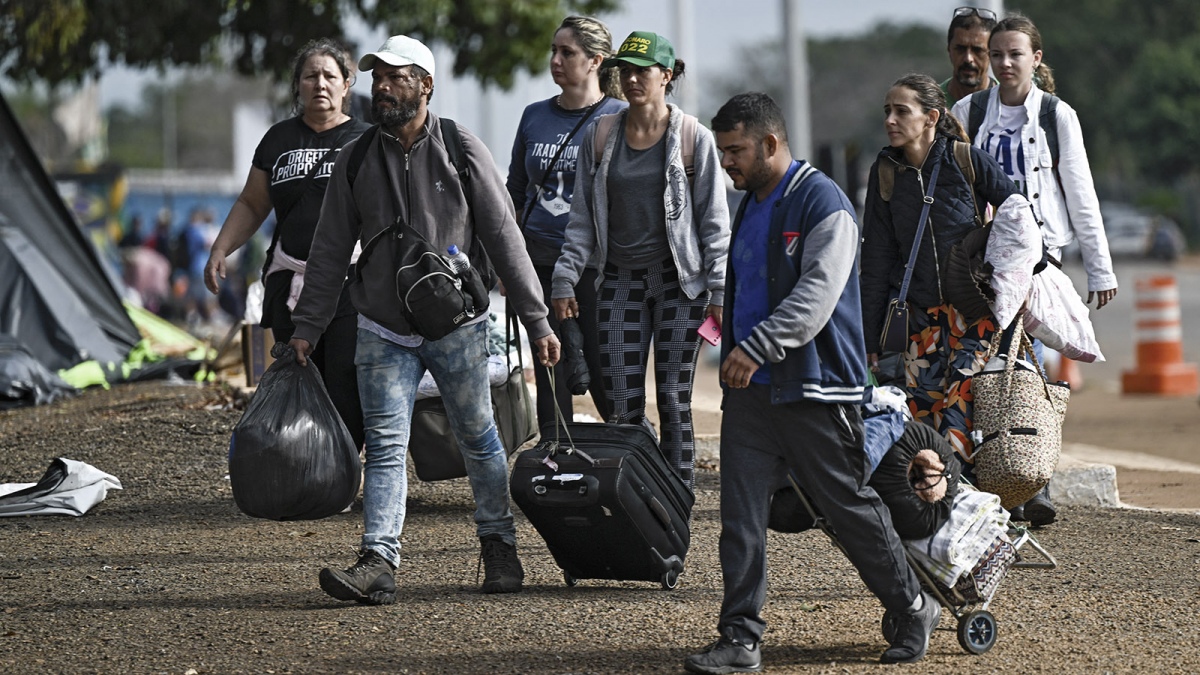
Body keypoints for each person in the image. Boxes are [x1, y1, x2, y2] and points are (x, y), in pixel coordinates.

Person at [286, 35, 561, 602]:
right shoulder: (357, 158)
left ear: (425, 86)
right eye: (377, 78)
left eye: (396, 78)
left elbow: (505, 238)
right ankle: (378, 561)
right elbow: (331, 246)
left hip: (456, 326)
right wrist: (306, 329)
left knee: (479, 438)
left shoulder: (461, 146)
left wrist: (538, 321)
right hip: (381, 328)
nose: (382, 89)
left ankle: (499, 547)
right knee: (386, 446)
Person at [683, 93, 938, 674]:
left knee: (847, 507)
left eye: (737, 151)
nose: (728, 164)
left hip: (817, 390)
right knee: (740, 517)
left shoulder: (824, 202)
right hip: (753, 395)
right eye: (723, 152)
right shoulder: (747, 204)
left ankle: (912, 604)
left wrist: (756, 347)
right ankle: (741, 638)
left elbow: (816, 298)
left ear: (771, 143)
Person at [951, 14, 1117, 526]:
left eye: (1014, 54)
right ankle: (990, 477)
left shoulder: (1056, 116)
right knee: (978, 364)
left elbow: (1080, 192)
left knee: (1029, 367)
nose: (1002, 64)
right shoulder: (968, 110)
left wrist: (1100, 269)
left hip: (1040, 260)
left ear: (1036, 59)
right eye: (996, 54)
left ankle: (1030, 479)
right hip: (981, 260)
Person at [551, 31, 729, 488]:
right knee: (623, 404)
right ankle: (637, 499)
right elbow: (582, 219)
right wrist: (565, 279)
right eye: (624, 71)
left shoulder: (693, 137)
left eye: (642, 71)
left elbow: (713, 222)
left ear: (666, 76)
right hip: (618, 281)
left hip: (679, 285)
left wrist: (719, 292)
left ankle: (680, 500)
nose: (631, 79)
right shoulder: (601, 135)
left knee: (672, 398)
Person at [204, 38, 370, 451]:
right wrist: (221, 249)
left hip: (351, 283)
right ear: (297, 85)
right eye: (310, 76)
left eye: (330, 76)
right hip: (290, 282)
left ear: (347, 84)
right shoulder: (277, 140)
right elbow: (252, 202)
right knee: (301, 374)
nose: (320, 84)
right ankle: (309, 464)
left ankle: (345, 467)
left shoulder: (367, 140)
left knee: (345, 378)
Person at [861, 74, 1022, 486]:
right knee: (923, 414)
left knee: (961, 412)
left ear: (931, 117)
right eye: (887, 111)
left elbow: (1020, 218)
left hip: (972, 312)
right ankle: (943, 499)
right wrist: (870, 338)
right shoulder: (885, 172)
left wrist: (1006, 283)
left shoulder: (966, 159)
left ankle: (970, 498)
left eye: (902, 111)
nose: (891, 120)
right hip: (920, 319)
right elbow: (876, 260)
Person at [507, 15, 627, 429]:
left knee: (601, 365)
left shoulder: (620, 118)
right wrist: (510, 264)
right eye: (553, 51)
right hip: (539, 260)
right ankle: (555, 457)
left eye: (567, 52)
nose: (555, 60)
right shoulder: (534, 115)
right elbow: (516, 192)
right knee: (549, 364)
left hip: (597, 268)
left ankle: (629, 458)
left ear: (595, 61)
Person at [941, 5, 998, 108]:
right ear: (949, 49)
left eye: (978, 50)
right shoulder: (931, 105)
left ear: (993, 53)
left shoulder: (1008, 103)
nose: (968, 59)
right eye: (960, 49)